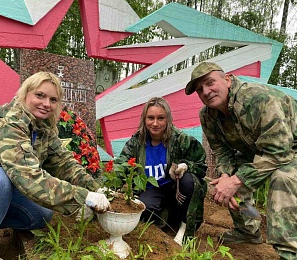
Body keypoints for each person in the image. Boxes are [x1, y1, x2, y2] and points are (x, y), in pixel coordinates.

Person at [0, 72, 110, 260]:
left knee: (40, 215)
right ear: (25, 94)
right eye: (40, 95)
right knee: (0, 178)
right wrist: (83, 197)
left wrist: (96, 188)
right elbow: (27, 176)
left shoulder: (42, 128)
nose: (46, 104)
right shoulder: (8, 123)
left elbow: (64, 163)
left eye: (53, 99)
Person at [185, 61, 297, 259]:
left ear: (227, 80)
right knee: (232, 176)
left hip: (289, 148)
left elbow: (280, 152)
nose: (206, 91)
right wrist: (227, 176)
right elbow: (221, 150)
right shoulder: (208, 116)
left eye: (210, 82)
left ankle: (289, 252)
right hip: (260, 148)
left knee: (283, 178)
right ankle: (247, 231)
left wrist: (237, 181)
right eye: (200, 89)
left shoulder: (258, 99)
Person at [114, 97, 207, 245]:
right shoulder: (137, 141)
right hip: (152, 189)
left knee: (189, 181)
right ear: (144, 119)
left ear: (168, 119)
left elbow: (201, 165)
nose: (155, 123)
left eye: (161, 118)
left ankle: (184, 227)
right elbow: (121, 164)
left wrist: (186, 166)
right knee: (144, 212)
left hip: (175, 188)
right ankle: (168, 216)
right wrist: (106, 186)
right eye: (151, 118)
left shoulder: (181, 140)